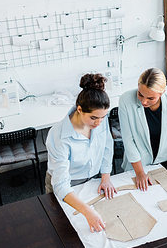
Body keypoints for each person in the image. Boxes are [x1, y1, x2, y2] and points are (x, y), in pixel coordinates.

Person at [46, 73, 115, 233]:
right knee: (64, 230)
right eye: (93, 118)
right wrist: (87, 211)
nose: (99, 123)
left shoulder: (99, 121)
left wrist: (105, 177)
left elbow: (107, 147)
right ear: (79, 109)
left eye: (103, 117)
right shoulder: (59, 135)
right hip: (66, 185)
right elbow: (60, 185)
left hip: (92, 180)